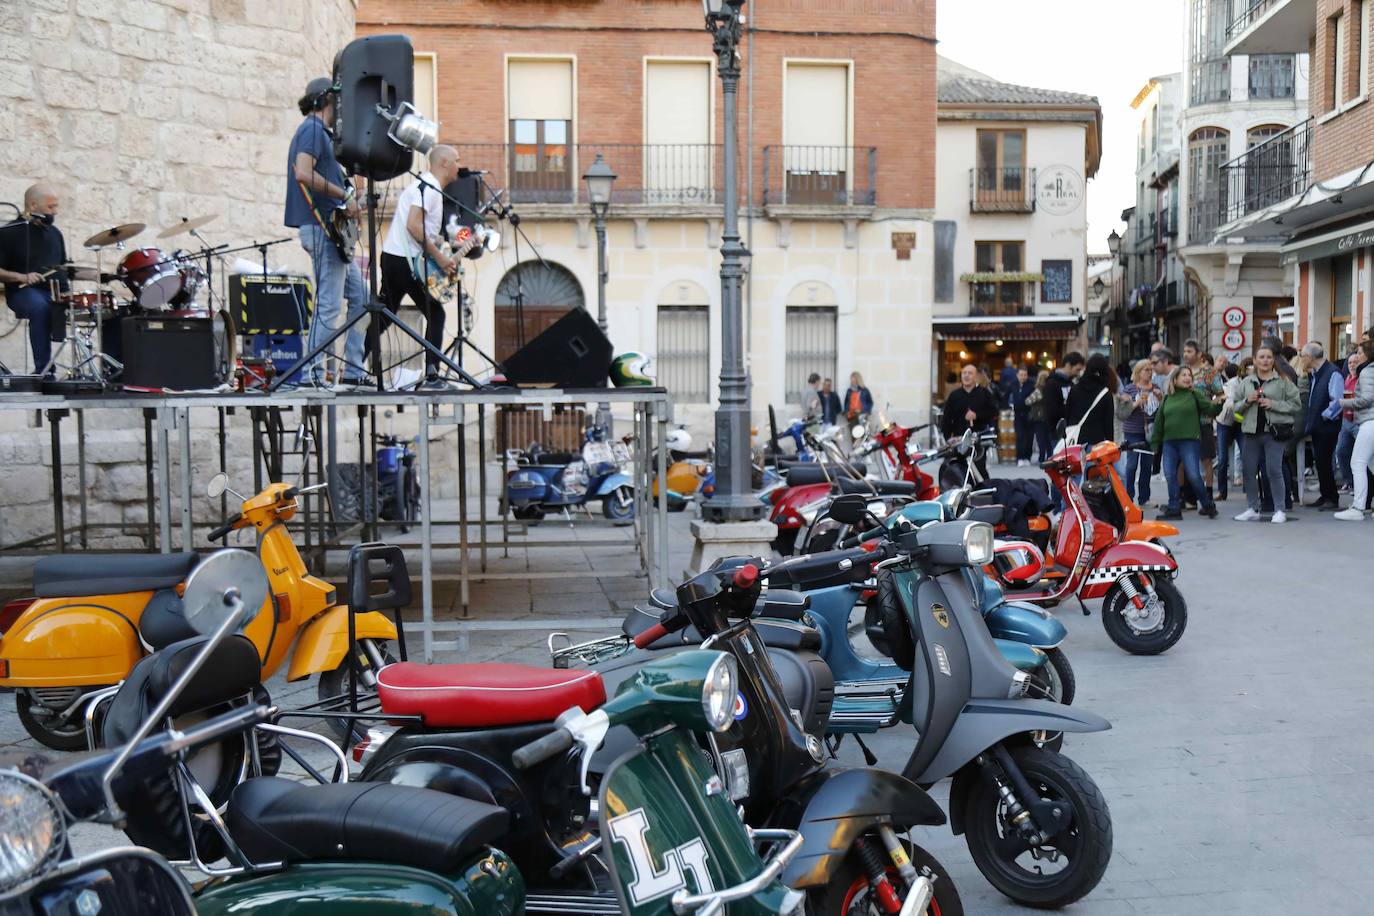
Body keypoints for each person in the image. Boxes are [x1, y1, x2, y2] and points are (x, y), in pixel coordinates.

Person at [286, 76, 367, 388]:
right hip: (321, 229)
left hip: (331, 232)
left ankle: (354, 370)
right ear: (324, 101)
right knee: (330, 304)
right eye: (337, 101)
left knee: (361, 297)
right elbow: (303, 174)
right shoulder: (311, 130)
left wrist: (351, 195)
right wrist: (343, 197)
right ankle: (313, 374)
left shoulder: (323, 133)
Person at [374, 145, 462, 389]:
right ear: (444, 163)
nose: (459, 165)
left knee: (385, 313)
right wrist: (442, 259)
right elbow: (414, 226)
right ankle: (432, 376)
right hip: (406, 261)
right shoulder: (431, 189)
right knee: (436, 314)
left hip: (393, 257)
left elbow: (421, 229)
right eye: (456, 160)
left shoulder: (420, 185)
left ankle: (355, 367)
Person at [0, 184, 69, 373]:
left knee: (105, 308)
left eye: (56, 206)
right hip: (23, 293)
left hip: (56, 292)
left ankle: (113, 373)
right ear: (32, 206)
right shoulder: (9, 232)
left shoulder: (55, 234)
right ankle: (45, 371)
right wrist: (22, 276)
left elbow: (63, 266)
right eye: (50, 207)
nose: (55, 211)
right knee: (41, 308)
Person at [1232, 344, 1302, 523]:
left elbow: (1296, 405)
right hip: (1251, 432)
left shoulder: (1283, 381)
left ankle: (1280, 510)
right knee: (1248, 471)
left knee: (1273, 470)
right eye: (1261, 357)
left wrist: (1274, 404)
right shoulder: (1247, 382)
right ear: (1254, 361)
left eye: (1269, 357)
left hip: (1274, 432)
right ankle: (1252, 507)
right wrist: (1247, 401)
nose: (1265, 360)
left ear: (1274, 360)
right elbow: (1235, 408)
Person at [1150, 365, 1222, 519]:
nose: (1187, 377)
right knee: (1170, 475)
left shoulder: (1195, 394)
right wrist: (1155, 443)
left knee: (1194, 475)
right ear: (1175, 379)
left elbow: (1210, 410)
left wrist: (1219, 403)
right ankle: (1174, 508)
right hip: (1169, 442)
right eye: (1183, 375)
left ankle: (1207, 505)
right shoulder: (1168, 398)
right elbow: (1159, 421)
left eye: (1189, 375)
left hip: (1189, 441)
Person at [1300, 341, 1344, 509]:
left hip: (1327, 426)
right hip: (1319, 425)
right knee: (1320, 462)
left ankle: (1331, 498)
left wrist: (1323, 417)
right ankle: (1326, 495)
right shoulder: (1316, 373)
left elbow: (1337, 401)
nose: (1302, 359)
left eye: (1303, 356)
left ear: (1310, 357)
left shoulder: (1332, 373)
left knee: (1324, 461)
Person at [1334, 339, 1374, 520]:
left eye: (1359, 352)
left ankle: (1358, 507)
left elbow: (1366, 399)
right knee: (1371, 464)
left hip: (1369, 420)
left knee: (1357, 463)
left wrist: (1343, 402)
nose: (1356, 356)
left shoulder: (1366, 371)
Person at [942, 363, 999, 476]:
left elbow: (993, 412)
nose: (966, 376)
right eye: (964, 373)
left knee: (978, 470)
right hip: (959, 439)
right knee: (956, 471)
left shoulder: (984, 393)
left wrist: (976, 415)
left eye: (970, 373)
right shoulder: (954, 395)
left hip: (977, 439)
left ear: (976, 376)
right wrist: (948, 437)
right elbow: (946, 418)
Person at [1120, 359, 1158, 505]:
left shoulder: (1155, 388)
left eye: (1150, 370)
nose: (1149, 372)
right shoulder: (1129, 389)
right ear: (1138, 372)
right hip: (1133, 431)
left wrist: (1159, 398)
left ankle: (1144, 498)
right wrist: (1136, 403)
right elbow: (1123, 413)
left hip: (1150, 431)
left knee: (1147, 466)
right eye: (1146, 370)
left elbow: (1159, 409)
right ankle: (1128, 497)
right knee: (1132, 465)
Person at [1064, 353, 1116, 447]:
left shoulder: (1074, 389)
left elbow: (1067, 414)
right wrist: (1110, 444)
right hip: (1096, 442)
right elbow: (1108, 424)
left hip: (1074, 441)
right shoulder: (1105, 393)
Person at [1336, 346, 1364, 494]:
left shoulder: (1362, 378)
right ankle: (1348, 481)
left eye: (1355, 362)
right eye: (1350, 363)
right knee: (1341, 451)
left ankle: (1360, 487)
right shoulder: (1347, 378)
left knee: (1360, 455)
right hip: (1346, 420)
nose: (1352, 365)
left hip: (1358, 419)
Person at [1215, 361, 1243, 500]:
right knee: (1243, 455)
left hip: (1224, 422)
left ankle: (1222, 491)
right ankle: (1248, 489)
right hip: (1234, 422)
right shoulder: (1235, 383)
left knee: (1223, 458)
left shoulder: (1228, 384)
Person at [1042, 351, 1085, 438]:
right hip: (1057, 432)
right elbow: (1051, 410)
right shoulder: (1052, 383)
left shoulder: (1072, 383)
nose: (1078, 373)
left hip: (1071, 431)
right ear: (1068, 365)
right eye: (1077, 369)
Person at [1010, 366, 1036, 465]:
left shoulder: (1032, 384)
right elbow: (1007, 396)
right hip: (1017, 415)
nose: (1023, 377)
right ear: (1017, 375)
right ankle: (1020, 457)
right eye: (1021, 375)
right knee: (1019, 436)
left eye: (1025, 375)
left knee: (1029, 437)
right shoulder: (1013, 384)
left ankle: (1027, 457)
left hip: (1029, 415)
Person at [1027, 369, 1052, 462]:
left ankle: (1041, 457)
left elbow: (1027, 401)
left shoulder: (1038, 391)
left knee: (1041, 439)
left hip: (1038, 418)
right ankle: (1050, 456)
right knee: (1048, 439)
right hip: (1048, 417)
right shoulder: (1050, 389)